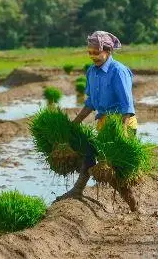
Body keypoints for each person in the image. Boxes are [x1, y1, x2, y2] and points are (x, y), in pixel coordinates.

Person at [57, 31, 140, 212]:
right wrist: (75, 123)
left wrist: (122, 133)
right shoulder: (91, 72)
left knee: (115, 168)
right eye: (90, 52)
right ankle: (77, 190)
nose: (93, 56)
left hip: (122, 123)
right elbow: (91, 103)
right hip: (104, 123)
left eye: (97, 52)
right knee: (89, 152)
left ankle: (134, 205)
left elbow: (127, 105)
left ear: (108, 51)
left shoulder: (118, 71)